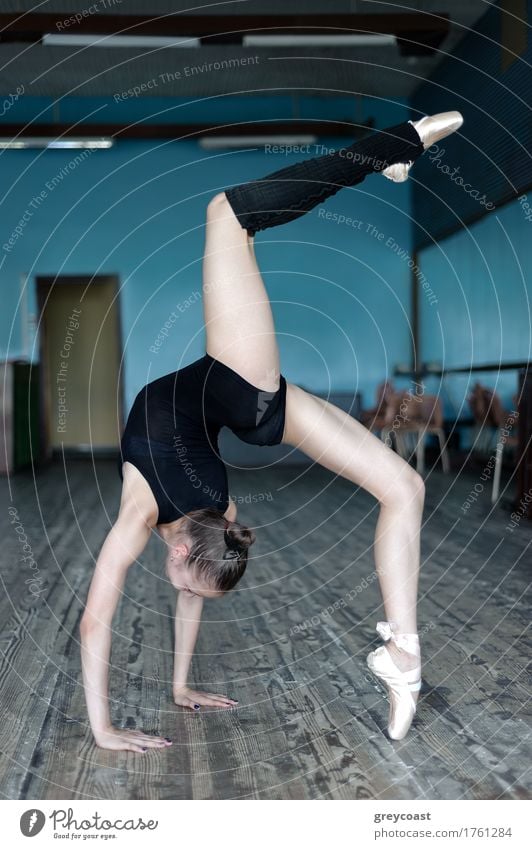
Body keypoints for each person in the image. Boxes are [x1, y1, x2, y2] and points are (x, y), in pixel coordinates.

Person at [80, 111, 464, 752]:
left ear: (186, 551)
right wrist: (133, 713)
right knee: (231, 216)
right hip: (244, 390)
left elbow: (100, 622)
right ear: (184, 549)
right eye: (191, 582)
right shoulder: (199, 521)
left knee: (403, 488)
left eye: (192, 583)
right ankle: (395, 148)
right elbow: (141, 609)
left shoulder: (166, 515)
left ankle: (403, 656)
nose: (186, 594)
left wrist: (145, 707)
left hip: (245, 399)